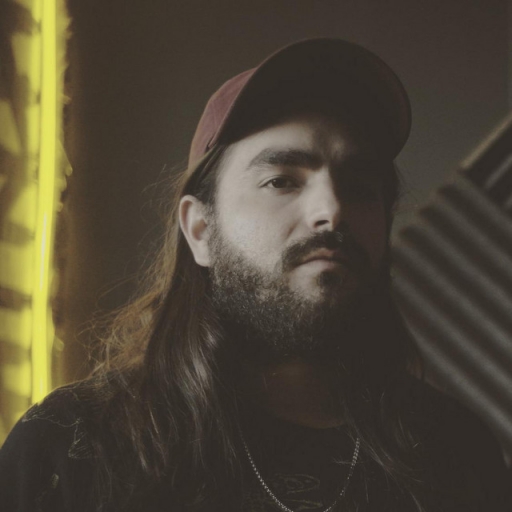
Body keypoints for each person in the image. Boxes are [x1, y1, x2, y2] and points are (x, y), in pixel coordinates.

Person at [0, 38, 510, 512]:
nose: (332, 210)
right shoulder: (70, 446)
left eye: (359, 186)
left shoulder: (459, 456)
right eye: (281, 180)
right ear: (200, 230)